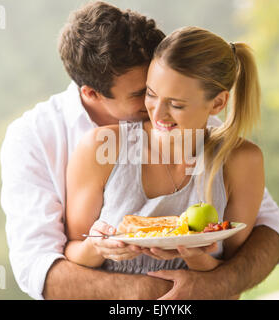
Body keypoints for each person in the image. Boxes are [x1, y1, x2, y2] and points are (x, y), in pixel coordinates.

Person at [0, 1, 279, 300]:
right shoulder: (36, 138)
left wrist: (215, 280)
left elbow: (265, 230)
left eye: (173, 100)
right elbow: (38, 266)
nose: (157, 112)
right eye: (145, 94)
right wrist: (160, 296)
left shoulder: (201, 126)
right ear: (90, 93)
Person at [65, 26, 265, 277]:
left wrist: (196, 258)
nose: (157, 113)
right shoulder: (100, 147)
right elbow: (72, 251)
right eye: (151, 94)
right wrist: (97, 247)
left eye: (176, 104)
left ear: (217, 103)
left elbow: (233, 275)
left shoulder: (242, 161)